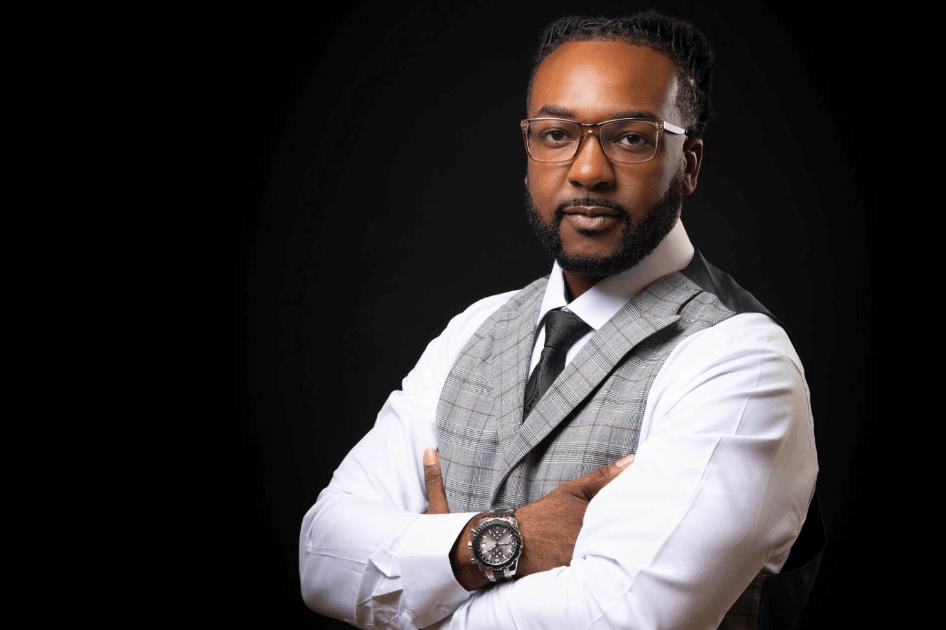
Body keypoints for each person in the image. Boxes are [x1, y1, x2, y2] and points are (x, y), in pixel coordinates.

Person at [299, 11, 821, 630]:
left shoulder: (742, 362)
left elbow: (623, 619)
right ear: (528, 150)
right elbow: (321, 555)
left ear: (689, 163)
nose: (588, 170)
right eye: (556, 134)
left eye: (632, 138)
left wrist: (422, 587)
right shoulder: (474, 330)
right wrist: (490, 545)